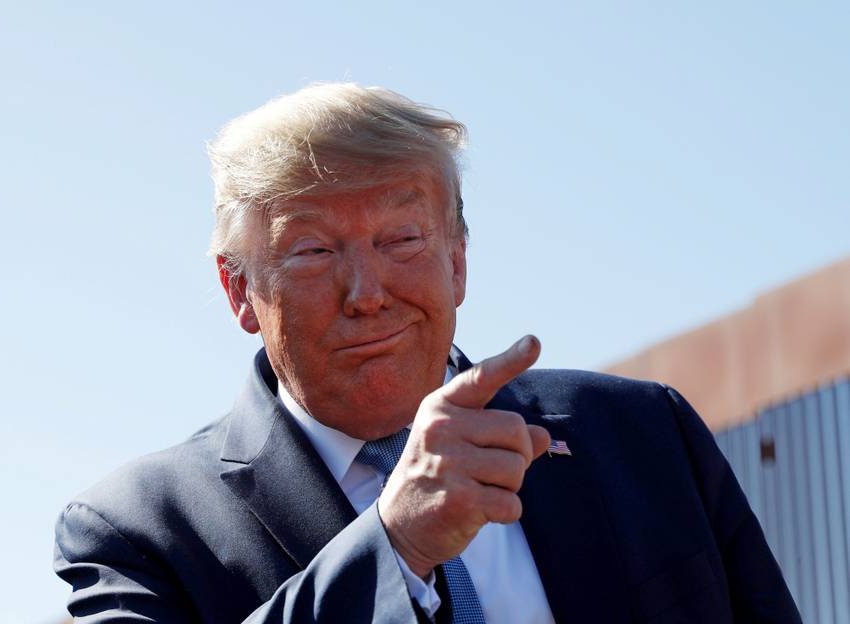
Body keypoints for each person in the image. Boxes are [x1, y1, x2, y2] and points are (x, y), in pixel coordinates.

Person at [54, 83, 801, 623]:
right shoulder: (138, 529)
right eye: (312, 251)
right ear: (240, 290)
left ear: (458, 259)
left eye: (401, 239)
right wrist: (395, 545)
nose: (367, 292)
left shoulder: (644, 434)